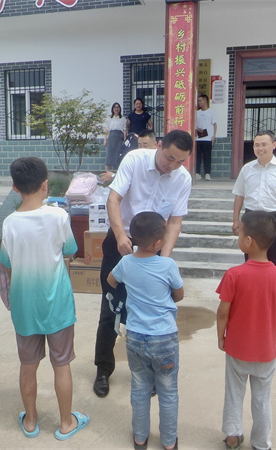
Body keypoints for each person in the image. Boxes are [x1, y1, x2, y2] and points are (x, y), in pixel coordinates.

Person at [93, 129, 193, 398]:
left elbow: (175, 221)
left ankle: (149, 372)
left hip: (155, 248)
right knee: (111, 307)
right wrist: (120, 236)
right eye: (170, 157)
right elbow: (114, 199)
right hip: (121, 239)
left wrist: (164, 259)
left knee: (152, 311)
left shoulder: (182, 178)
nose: (172, 165)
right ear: (159, 145)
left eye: (180, 161)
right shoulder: (135, 160)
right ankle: (103, 369)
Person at [0, 157, 89, 440]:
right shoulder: (59, 216)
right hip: (57, 303)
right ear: (45, 185)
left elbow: (7, 266)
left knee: (28, 365)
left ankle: (30, 421)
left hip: (24, 305)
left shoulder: (9, 223)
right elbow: (70, 251)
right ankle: (66, 423)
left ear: (15, 187)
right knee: (61, 364)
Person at [216, 210, 276, 450]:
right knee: (262, 399)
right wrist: (272, 340)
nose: (238, 237)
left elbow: (222, 312)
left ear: (248, 241)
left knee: (234, 392)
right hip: (265, 351)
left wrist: (221, 337)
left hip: (237, 347)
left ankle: (233, 435)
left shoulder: (234, 274)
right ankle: (261, 442)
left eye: (240, 233)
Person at [107, 211, 184, 450]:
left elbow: (111, 281)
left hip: (135, 337)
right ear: (157, 243)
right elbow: (179, 294)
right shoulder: (167, 265)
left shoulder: (126, 263)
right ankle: (169, 442)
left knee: (140, 388)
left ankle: (140, 438)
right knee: (168, 391)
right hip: (164, 338)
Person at [232, 130, 276, 267]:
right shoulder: (247, 169)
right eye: (256, 145)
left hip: (273, 219)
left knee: (273, 258)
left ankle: (272, 282)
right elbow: (239, 195)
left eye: (264, 144)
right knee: (250, 258)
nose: (260, 148)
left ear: (274, 145)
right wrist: (236, 220)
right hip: (251, 218)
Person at [195, 94, 217, 181]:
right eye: (198, 101)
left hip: (208, 139)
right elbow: (193, 125)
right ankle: (197, 173)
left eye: (200, 101)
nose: (199, 102)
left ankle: (207, 173)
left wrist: (214, 136)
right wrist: (197, 129)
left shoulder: (211, 112)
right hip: (198, 138)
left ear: (205, 101)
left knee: (207, 156)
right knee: (197, 157)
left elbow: (215, 124)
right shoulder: (197, 113)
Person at [104, 102, 127, 171]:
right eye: (115, 107)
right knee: (109, 154)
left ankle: (117, 172)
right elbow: (106, 130)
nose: (116, 109)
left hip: (119, 137)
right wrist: (105, 140)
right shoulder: (109, 118)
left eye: (118, 107)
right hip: (111, 136)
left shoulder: (123, 119)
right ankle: (107, 172)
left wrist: (125, 139)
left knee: (117, 154)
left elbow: (124, 129)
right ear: (112, 109)